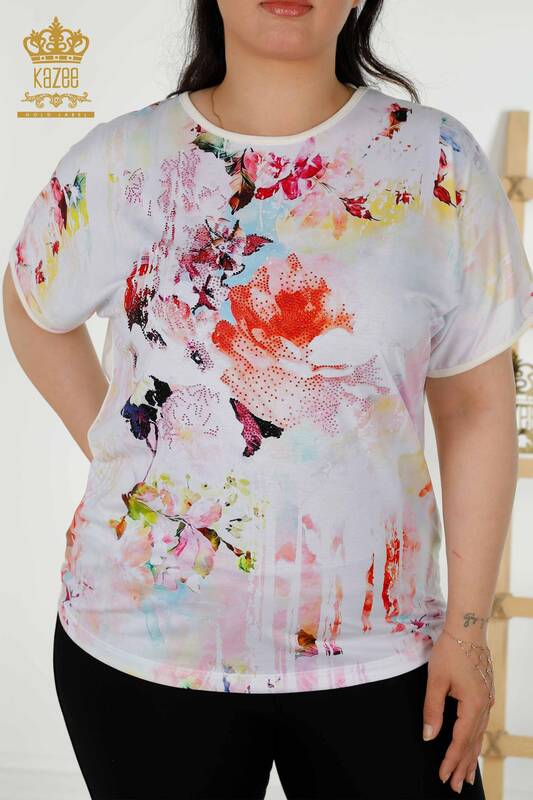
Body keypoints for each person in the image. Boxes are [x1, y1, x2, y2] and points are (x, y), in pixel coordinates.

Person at [4, 0, 532, 797]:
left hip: (385, 649)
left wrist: (468, 631)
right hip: (142, 645)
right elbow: (29, 304)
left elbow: (474, 407)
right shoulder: (121, 161)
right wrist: (127, 453)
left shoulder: (436, 162)